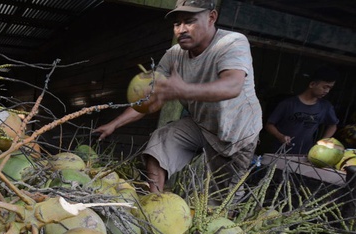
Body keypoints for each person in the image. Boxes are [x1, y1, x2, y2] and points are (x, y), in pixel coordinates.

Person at [94, 0, 262, 195]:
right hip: (201, 124)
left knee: (220, 199)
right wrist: (114, 124)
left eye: (189, 21)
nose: (181, 29)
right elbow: (149, 99)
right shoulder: (174, 55)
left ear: (211, 17)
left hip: (236, 132)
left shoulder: (232, 42)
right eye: (177, 23)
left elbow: (233, 85)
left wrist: (183, 90)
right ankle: (155, 202)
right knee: (161, 141)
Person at [263, 66, 340, 154]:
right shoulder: (288, 104)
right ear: (312, 84)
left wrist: (323, 142)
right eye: (325, 87)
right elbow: (269, 125)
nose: (327, 91)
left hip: (305, 154)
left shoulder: (325, 107)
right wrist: (280, 136)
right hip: (279, 152)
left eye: (330, 88)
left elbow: (333, 125)